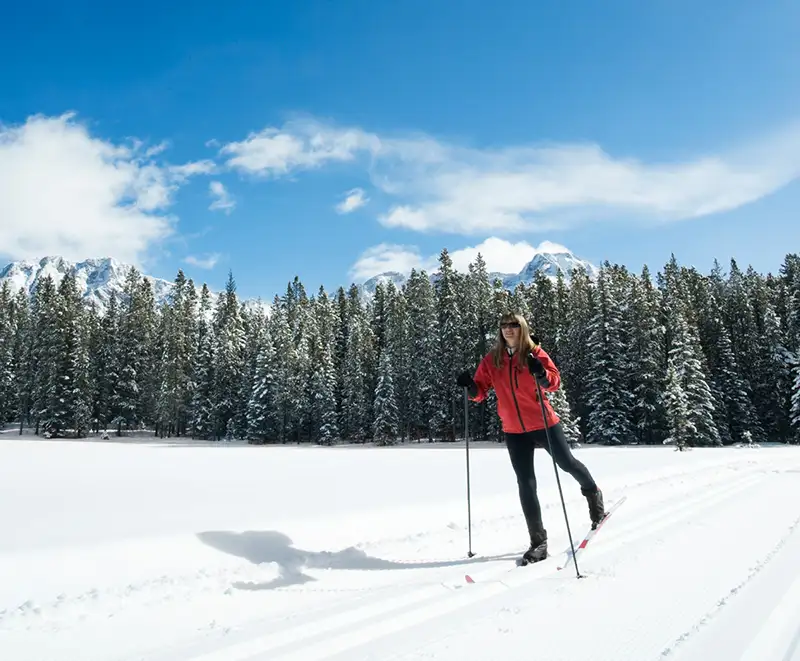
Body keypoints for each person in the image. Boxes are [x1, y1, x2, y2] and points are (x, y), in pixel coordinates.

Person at [456, 312, 606, 564]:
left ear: (522, 328)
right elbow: (480, 392)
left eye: (513, 325)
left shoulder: (535, 354)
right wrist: (470, 386)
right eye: (504, 326)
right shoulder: (493, 360)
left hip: (543, 423)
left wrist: (541, 374)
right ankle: (539, 542)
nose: (508, 330)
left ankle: (592, 493)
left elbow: (554, 382)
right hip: (514, 430)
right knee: (526, 483)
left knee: (567, 463)